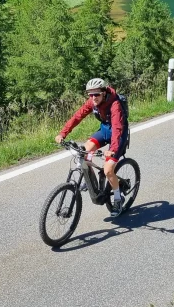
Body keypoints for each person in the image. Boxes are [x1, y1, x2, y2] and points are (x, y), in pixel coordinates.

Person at [55, 78, 129, 217]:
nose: (93, 98)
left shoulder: (115, 105)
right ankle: (91, 181)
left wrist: (112, 150)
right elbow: (77, 116)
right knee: (84, 152)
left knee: (108, 169)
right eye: (90, 95)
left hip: (118, 135)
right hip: (105, 130)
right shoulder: (93, 102)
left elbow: (118, 129)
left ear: (104, 93)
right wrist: (63, 133)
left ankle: (118, 199)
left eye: (96, 94)